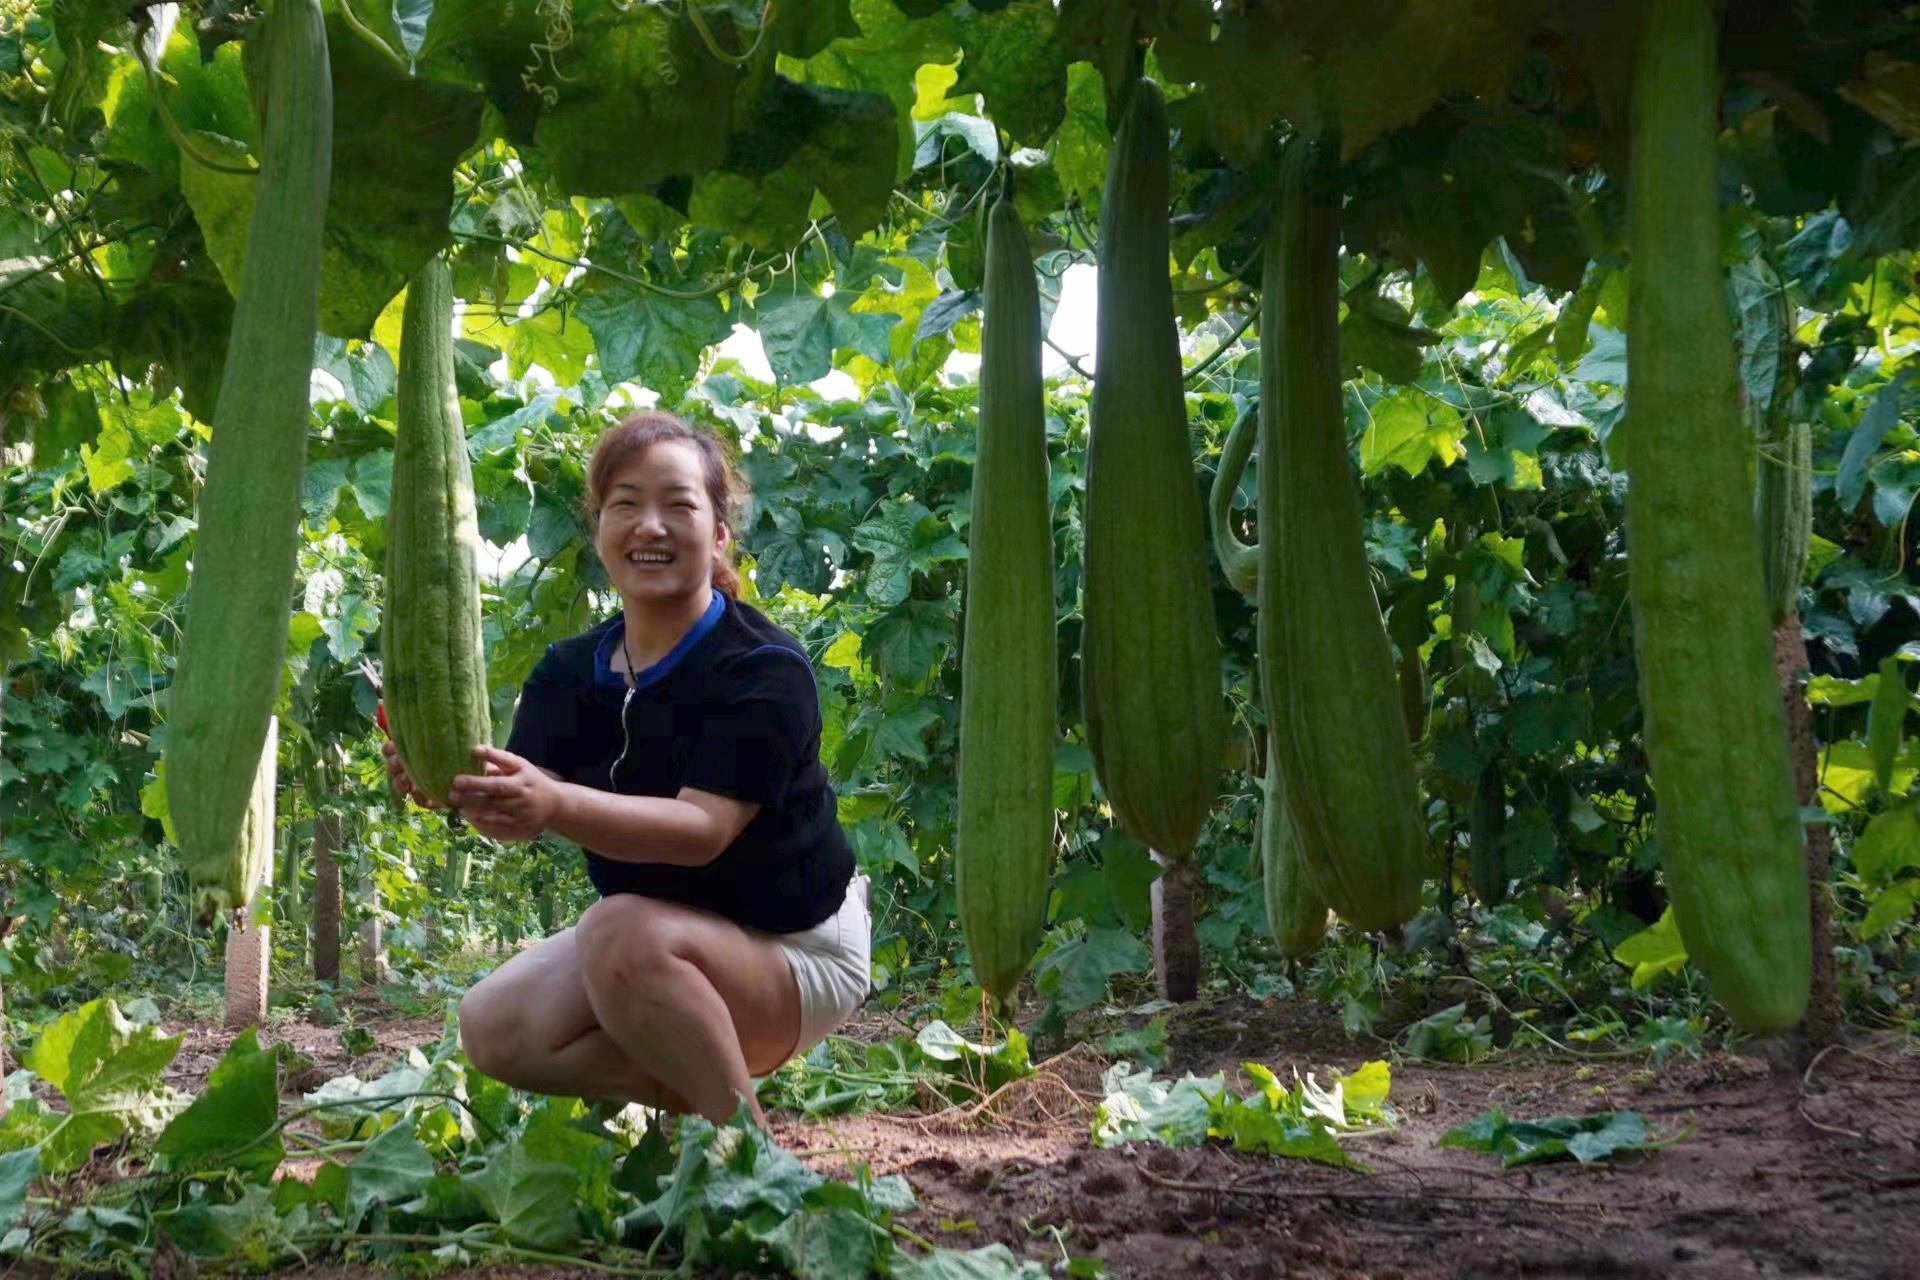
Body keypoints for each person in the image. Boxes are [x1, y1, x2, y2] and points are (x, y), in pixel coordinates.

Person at [382, 410, 869, 1127]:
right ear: (600, 531)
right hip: (658, 938)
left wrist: (552, 804)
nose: (651, 526)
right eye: (626, 504)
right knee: (493, 1026)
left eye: (679, 504)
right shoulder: (570, 671)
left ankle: (750, 1157)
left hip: (795, 952)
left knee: (615, 929)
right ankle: (712, 1100)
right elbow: (522, 811)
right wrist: (453, 789)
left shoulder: (763, 667)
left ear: (720, 533)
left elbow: (702, 829)